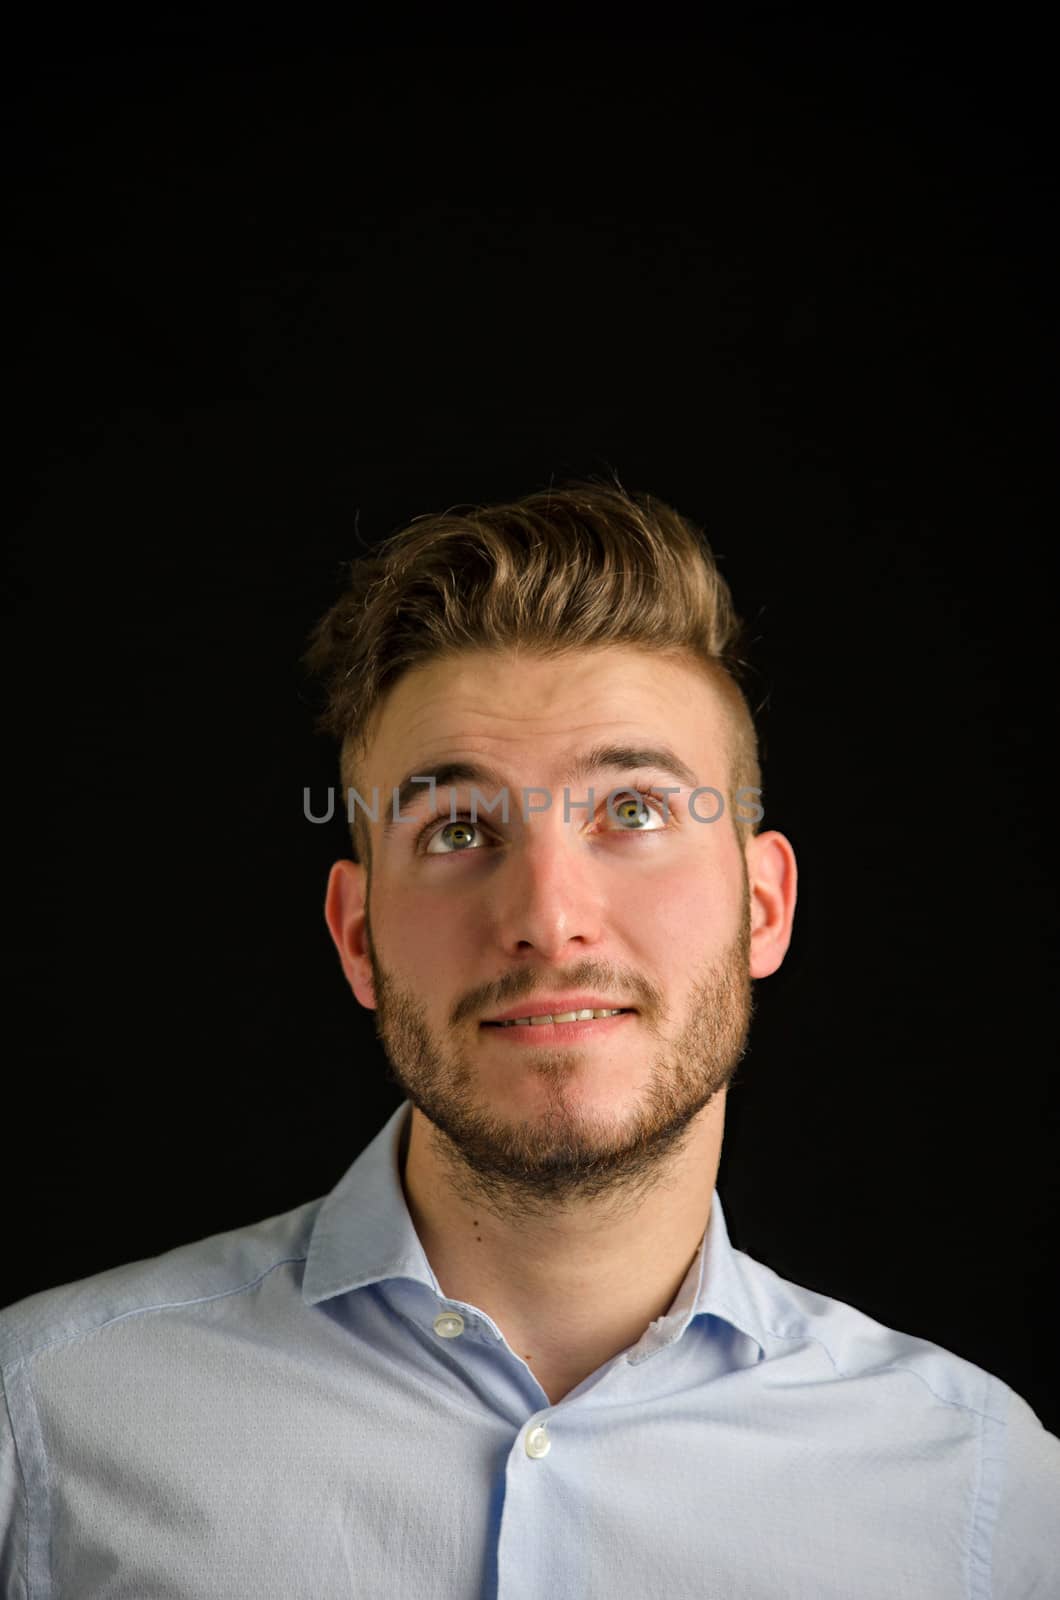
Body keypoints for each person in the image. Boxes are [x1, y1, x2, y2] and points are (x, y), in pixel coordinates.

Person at [1, 480, 1056, 1599]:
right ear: (358, 937)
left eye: (635, 813)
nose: (548, 919)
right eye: (457, 827)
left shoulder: (988, 1496)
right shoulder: (42, 1423)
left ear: (764, 907)